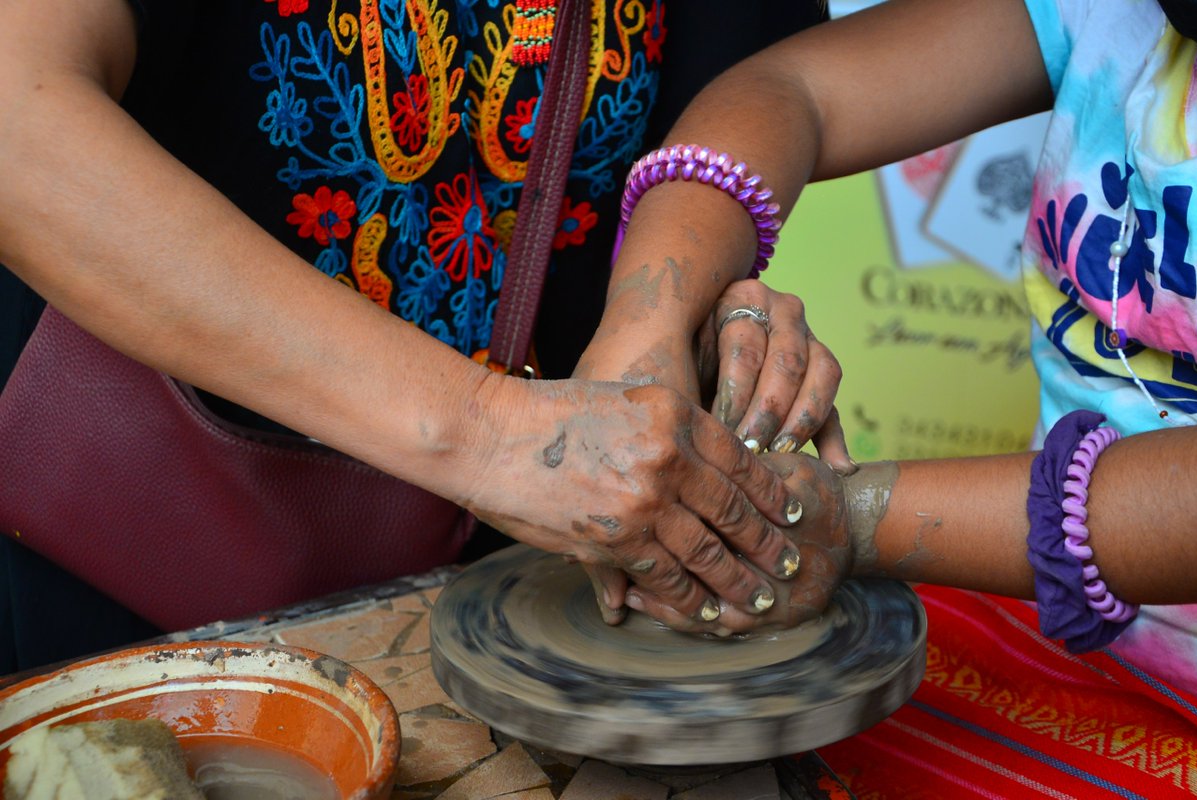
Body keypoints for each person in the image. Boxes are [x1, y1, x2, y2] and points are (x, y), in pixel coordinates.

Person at [0, 0, 843, 673]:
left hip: (563, 560)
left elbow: (741, 107)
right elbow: (18, 118)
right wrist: (487, 431)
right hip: (150, 550)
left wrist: (691, 304)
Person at [600, 0, 1197, 795]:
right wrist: (648, 328)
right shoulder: (1106, 13)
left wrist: (850, 518)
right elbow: (795, 89)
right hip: (1045, 616)